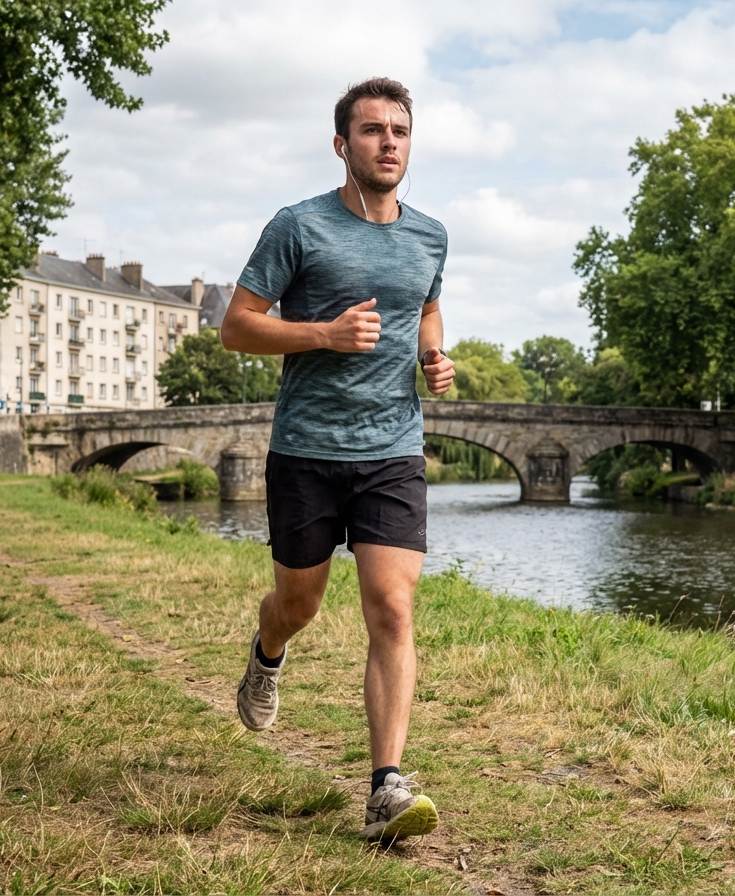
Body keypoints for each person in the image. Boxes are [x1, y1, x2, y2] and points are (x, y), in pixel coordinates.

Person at [220, 77, 455, 843]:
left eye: (400, 131)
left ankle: (387, 785)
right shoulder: (298, 226)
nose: (389, 142)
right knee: (299, 604)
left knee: (391, 607)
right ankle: (268, 650)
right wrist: (321, 334)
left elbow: (424, 303)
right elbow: (237, 327)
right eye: (372, 131)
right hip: (307, 451)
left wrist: (432, 355)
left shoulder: (430, 234)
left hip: (391, 448)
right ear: (342, 145)